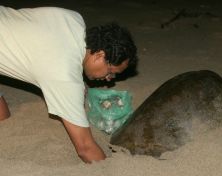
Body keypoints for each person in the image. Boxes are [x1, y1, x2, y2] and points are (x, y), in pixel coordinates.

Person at [0, 6, 138, 163]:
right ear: (100, 56)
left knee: (3, 118)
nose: (109, 78)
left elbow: (57, 52)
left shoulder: (73, 19)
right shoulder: (63, 76)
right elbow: (85, 149)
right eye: (111, 72)